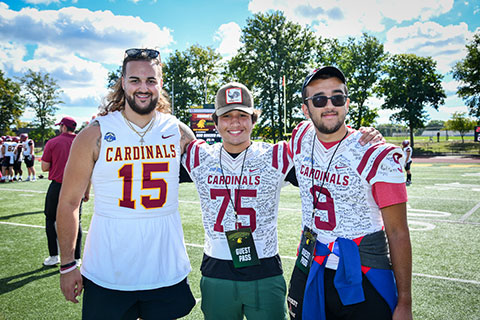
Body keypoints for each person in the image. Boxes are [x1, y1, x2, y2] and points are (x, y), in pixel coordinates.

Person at [182, 82, 381, 320]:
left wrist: (359, 136)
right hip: (216, 272)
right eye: (226, 116)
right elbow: (169, 130)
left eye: (242, 115)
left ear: (253, 120)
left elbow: (327, 145)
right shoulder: (198, 155)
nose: (235, 123)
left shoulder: (275, 155)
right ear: (215, 122)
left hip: (265, 272)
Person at [56, 48, 196, 319]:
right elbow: (69, 202)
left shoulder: (177, 131)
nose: (143, 88)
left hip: (164, 268)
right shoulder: (95, 135)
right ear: (123, 82)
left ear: (160, 84)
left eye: (151, 81)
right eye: (135, 80)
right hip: (108, 270)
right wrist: (67, 264)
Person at [287, 66, 412, 320]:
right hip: (310, 265)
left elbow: (398, 232)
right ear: (305, 108)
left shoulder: (375, 153)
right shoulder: (300, 137)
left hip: (364, 273)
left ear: (347, 102)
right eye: (319, 99)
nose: (329, 105)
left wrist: (405, 303)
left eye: (338, 97)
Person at [41, 117, 84, 267]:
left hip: (58, 185)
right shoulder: (82, 141)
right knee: (76, 221)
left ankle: (54, 255)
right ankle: (77, 257)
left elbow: (45, 167)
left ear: (64, 127)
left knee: (50, 219)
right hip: (77, 186)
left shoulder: (53, 142)